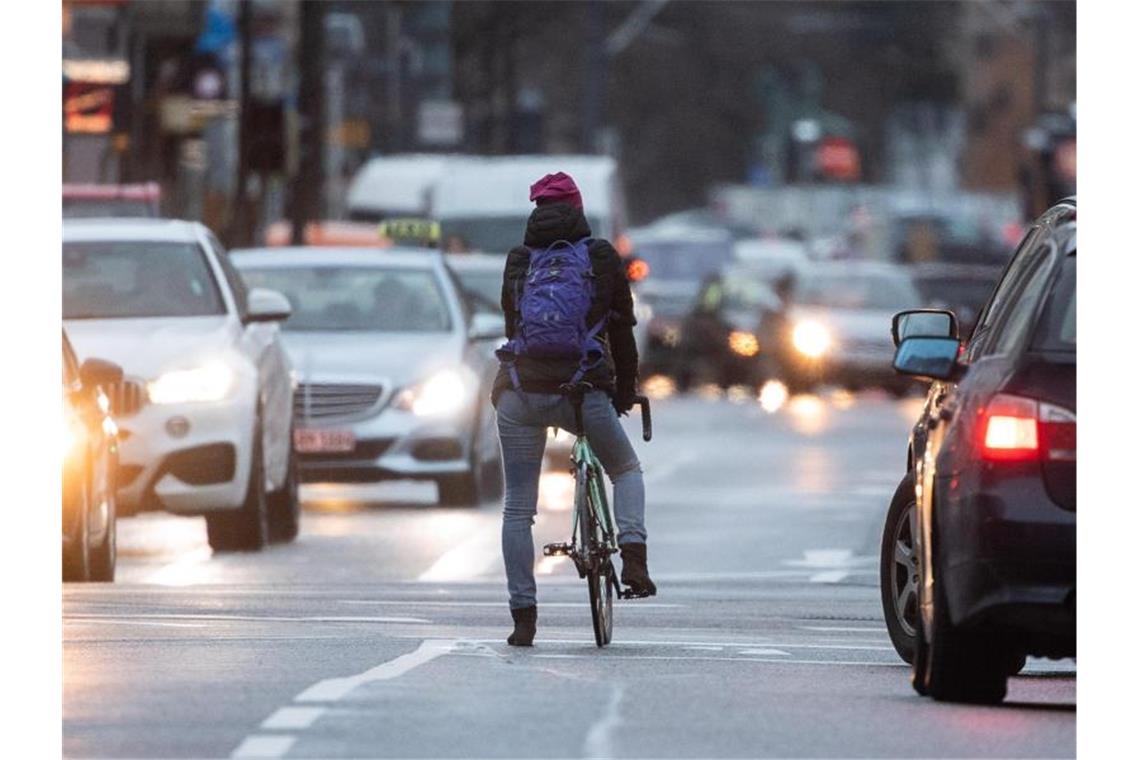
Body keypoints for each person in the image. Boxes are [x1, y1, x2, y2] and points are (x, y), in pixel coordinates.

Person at [493, 171, 655, 647]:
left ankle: (523, 616)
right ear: (579, 209)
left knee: (518, 508)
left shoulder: (519, 261)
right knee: (625, 468)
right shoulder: (602, 256)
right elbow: (622, 332)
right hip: (582, 392)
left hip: (519, 394)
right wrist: (624, 391)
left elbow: (514, 327)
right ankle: (634, 556)